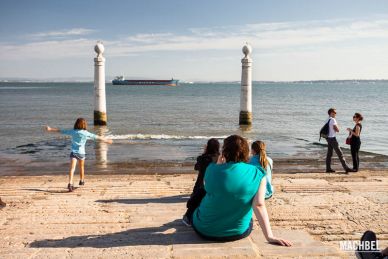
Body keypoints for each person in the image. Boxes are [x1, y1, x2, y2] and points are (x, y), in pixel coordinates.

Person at [192, 135, 292, 246]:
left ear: (224, 152)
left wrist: (218, 165)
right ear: (247, 152)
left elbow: (207, 187)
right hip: (237, 232)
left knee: (200, 202)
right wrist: (270, 236)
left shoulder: (211, 168)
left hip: (204, 231)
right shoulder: (258, 172)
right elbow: (258, 205)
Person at [45, 118, 113, 192]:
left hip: (74, 152)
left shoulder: (73, 131)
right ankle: (82, 180)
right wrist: (107, 141)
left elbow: (61, 131)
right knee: (81, 167)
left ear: (76, 124)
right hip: (81, 153)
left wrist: (50, 129)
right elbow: (96, 137)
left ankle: (70, 184)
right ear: (84, 125)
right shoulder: (85, 133)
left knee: (72, 169)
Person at [182, 138, 220, 226]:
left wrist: (204, 153)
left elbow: (196, 167)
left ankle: (188, 217)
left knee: (196, 199)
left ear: (208, 147)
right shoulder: (219, 158)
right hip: (214, 183)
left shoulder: (203, 158)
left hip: (200, 184)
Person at [325, 108, 353, 173]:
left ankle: (328, 168)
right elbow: (337, 130)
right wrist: (337, 126)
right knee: (340, 153)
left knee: (329, 154)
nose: (336, 114)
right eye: (334, 112)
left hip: (328, 138)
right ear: (331, 113)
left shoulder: (327, 119)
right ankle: (346, 168)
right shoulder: (333, 120)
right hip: (332, 138)